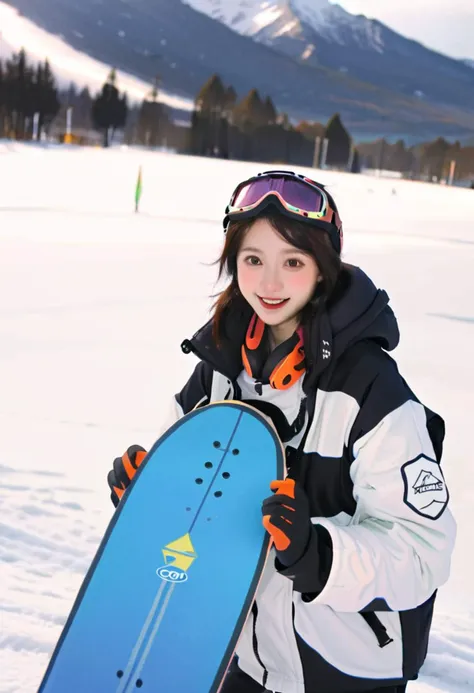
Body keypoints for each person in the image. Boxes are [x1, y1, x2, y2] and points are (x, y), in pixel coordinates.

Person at [107, 170, 456, 693]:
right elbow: (190, 499)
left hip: (343, 666)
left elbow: (424, 552)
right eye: (253, 260)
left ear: (323, 269)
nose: (269, 284)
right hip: (240, 653)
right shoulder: (220, 364)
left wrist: (317, 552)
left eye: (292, 262)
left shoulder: (370, 386)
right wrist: (147, 489)